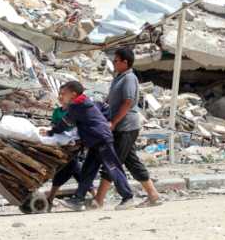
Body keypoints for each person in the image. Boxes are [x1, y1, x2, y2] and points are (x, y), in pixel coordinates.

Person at [48, 81, 135, 211]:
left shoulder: (76, 105)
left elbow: (66, 123)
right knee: (87, 170)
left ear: (73, 94)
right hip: (95, 140)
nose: (62, 96)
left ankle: (128, 197)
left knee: (113, 168)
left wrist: (50, 132)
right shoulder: (86, 101)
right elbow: (104, 109)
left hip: (100, 139)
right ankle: (78, 199)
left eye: (64, 93)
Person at [93, 47, 161, 209]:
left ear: (125, 62)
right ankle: (153, 195)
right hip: (121, 127)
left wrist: (114, 122)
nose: (114, 63)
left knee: (112, 162)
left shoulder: (130, 78)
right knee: (132, 162)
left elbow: (128, 102)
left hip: (126, 127)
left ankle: (99, 200)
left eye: (116, 60)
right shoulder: (119, 77)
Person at [42, 90, 96, 208]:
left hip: (73, 146)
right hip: (62, 145)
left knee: (71, 169)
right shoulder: (57, 112)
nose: (61, 97)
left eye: (63, 95)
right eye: (59, 95)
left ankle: (50, 199)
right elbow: (55, 127)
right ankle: (95, 197)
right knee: (72, 170)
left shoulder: (75, 110)